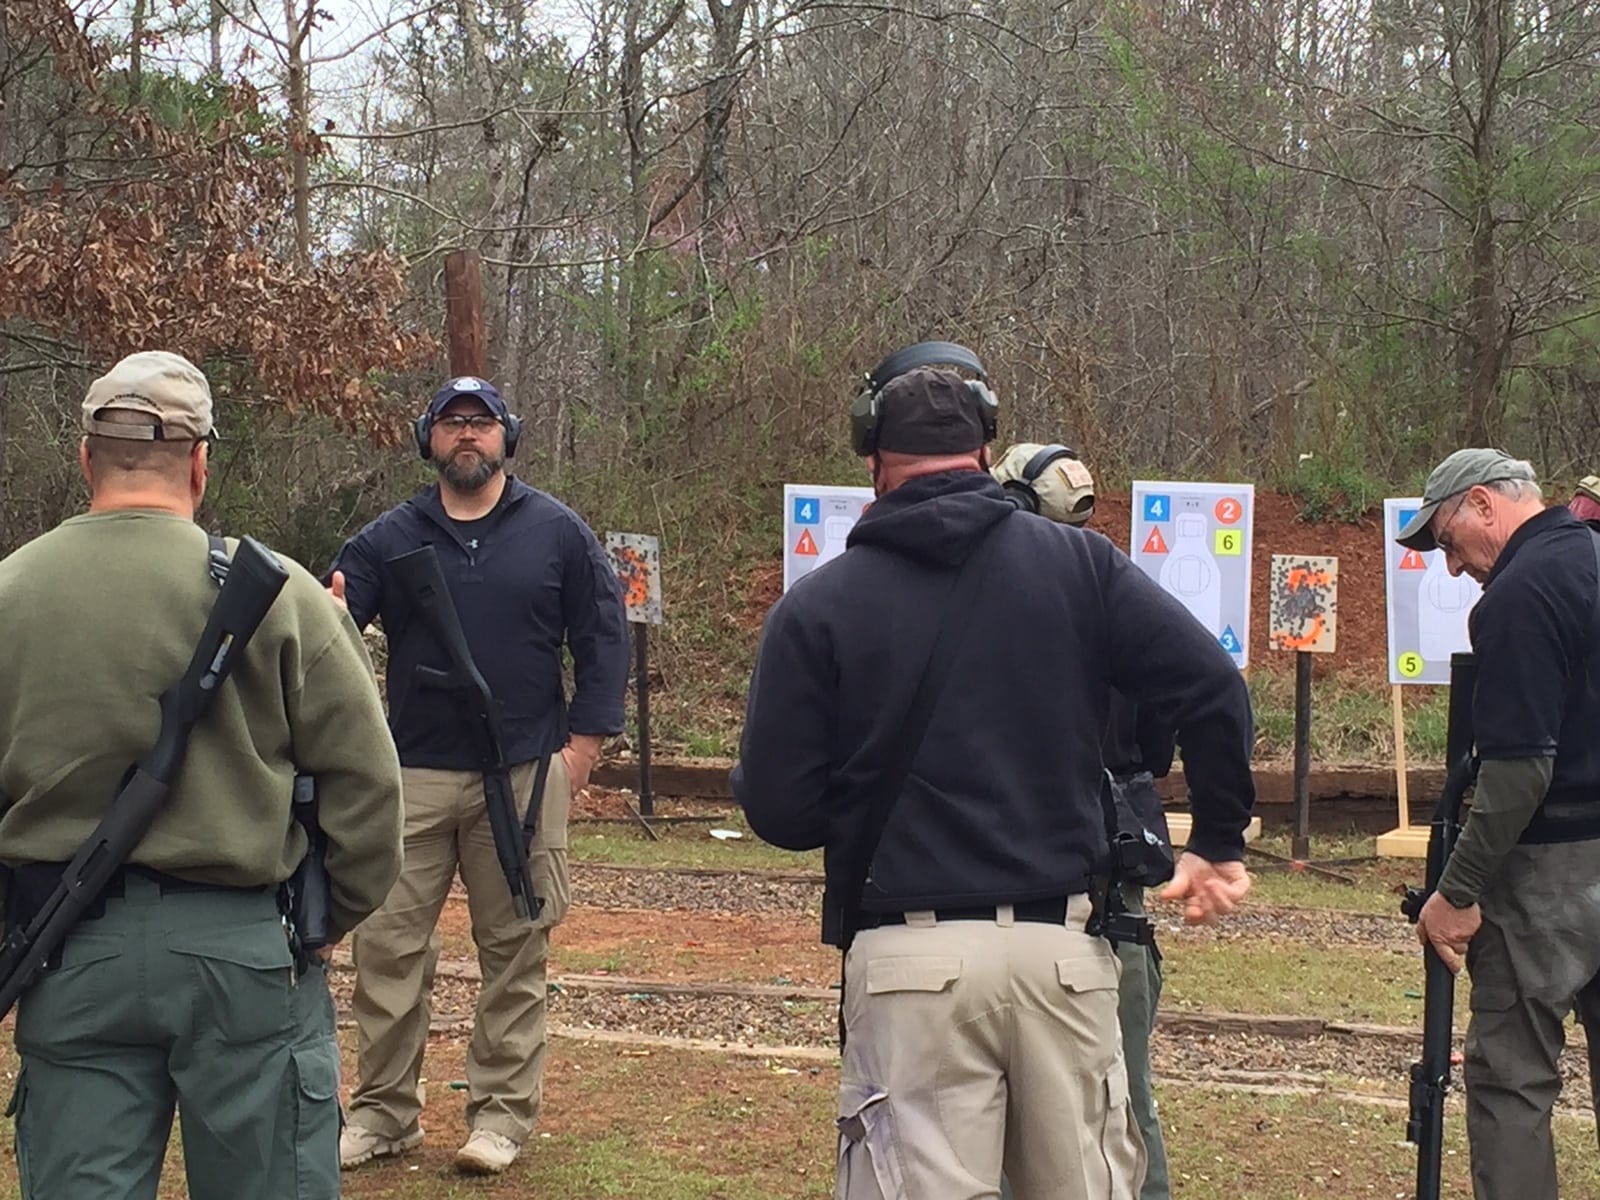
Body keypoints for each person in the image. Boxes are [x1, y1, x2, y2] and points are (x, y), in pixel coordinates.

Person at [733, 348, 1256, 1200]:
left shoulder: (817, 606)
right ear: (985, 451)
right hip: (1064, 953)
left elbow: (780, 810)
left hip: (906, 958)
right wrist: (1219, 837)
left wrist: (868, 804)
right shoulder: (1085, 568)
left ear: (872, 460)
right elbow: (1212, 688)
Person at [0, 350, 404, 1200]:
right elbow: (368, 794)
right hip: (245, 952)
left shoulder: (11, 592)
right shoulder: (287, 595)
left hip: (66, 951)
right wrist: (321, 921)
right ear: (199, 462)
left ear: (85, 458)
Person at [332, 374, 630, 1175]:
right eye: (452, 421)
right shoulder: (388, 538)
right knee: (386, 949)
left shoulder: (559, 533)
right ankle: (384, 1113)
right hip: (411, 776)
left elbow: (603, 638)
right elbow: (329, 635)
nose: (468, 433)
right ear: (428, 438)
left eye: (482, 421)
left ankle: (499, 1117)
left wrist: (581, 752)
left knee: (515, 953)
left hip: (525, 773)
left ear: (508, 436)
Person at [1399, 448, 1600, 1200]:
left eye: (1448, 542)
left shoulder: (1519, 593)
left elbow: (1518, 773)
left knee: (1511, 1079)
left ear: (1483, 504)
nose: (1453, 567)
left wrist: (1456, 892)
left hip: (1549, 869)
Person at [990, 442, 1175, 1200]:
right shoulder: (1120, 595)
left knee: (1039, 1099)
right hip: (1114, 861)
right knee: (1121, 1093)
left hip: (1041, 864)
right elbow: (1159, 741)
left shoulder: (1005, 607)